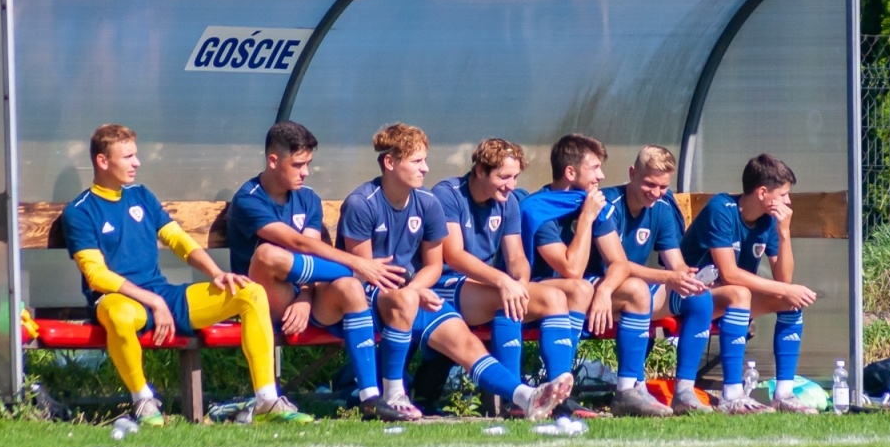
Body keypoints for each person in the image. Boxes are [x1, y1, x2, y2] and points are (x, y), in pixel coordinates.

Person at [63, 124, 308, 427]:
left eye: (135, 156)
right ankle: (144, 401)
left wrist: (217, 273)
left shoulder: (141, 195)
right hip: (121, 299)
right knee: (119, 315)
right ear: (103, 161)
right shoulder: (80, 211)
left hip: (163, 296)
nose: (136, 163)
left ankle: (267, 401)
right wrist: (153, 301)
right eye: (127, 157)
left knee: (250, 292)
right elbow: (96, 276)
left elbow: (178, 240)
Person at [339, 124, 572, 422]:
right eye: (417, 161)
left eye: (425, 159)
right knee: (410, 302)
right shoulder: (363, 203)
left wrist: (517, 283)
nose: (426, 168)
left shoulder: (426, 202)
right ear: (390, 163)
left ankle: (526, 397)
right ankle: (391, 395)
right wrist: (412, 291)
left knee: (467, 343)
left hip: (418, 290)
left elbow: (432, 265)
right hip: (375, 293)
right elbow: (365, 271)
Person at [228, 121, 406, 419]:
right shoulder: (248, 198)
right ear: (273, 161)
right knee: (268, 254)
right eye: (298, 164)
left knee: (350, 289)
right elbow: (296, 242)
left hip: (303, 297)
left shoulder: (308, 197)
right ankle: (350, 276)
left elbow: (308, 250)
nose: (305, 172)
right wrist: (355, 264)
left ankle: (370, 398)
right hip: (263, 301)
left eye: (308, 163)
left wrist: (306, 298)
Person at [430, 138, 591, 396]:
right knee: (505, 297)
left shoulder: (509, 201)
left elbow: (516, 257)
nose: (511, 185)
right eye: (504, 177)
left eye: (515, 177)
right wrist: (504, 282)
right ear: (480, 170)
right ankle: (514, 395)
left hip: (486, 283)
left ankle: (558, 392)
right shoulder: (448, 194)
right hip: (446, 285)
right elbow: (454, 256)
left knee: (555, 297)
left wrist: (520, 282)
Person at [521, 134, 660, 417]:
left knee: (636, 290)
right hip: (533, 291)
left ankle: (628, 391)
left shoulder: (593, 203)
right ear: (570, 172)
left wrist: (606, 291)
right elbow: (570, 268)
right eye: (594, 168)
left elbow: (619, 262)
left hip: (579, 289)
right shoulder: (540, 208)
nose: (602, 175)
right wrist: (585, 218)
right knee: (579, 288)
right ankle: (559, 391)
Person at [681, 155, 818, 415]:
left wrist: (784, 232)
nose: (789, 201)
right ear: (763, 192)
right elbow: (729, 274)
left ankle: (784, 394)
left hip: (728, 298)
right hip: (690, 297)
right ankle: (732, 395)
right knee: (741, 292)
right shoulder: (721, 209)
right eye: (784, 194)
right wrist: (786, 289)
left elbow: (784, 280)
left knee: (790, 302)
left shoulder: (769, 220)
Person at [599, 146, 726, 416]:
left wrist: (687, 278)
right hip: (600, 291)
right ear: (632, 173)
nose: (656, 193)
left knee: (698, 297)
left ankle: (685, 392)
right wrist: (670, 276)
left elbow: (675, 263)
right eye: (649, 184)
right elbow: (618, 265)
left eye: (663, 186)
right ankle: (628, 391)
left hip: (639, 292)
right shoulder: (608, 204)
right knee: (638, 291)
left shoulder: (663, 206)